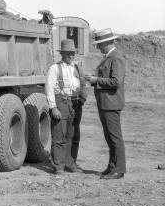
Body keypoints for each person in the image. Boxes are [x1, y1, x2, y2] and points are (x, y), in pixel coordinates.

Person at [84, 28, 126, 180]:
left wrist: (96, 80)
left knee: (115, 138)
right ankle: (112, 167)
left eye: (100, 44)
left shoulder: (116, 57)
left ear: (108, 42)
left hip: (111, 104)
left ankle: (119, 170)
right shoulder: (110, 57)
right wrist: (94, 78)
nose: (98, 47)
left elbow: (116, 81)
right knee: (110, 138)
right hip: (106, 103)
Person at [45, 39, 87, 174]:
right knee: (59, 135)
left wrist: (82, 100)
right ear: (62, 53)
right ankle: (58, 166)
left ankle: (71, 164)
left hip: (75, 104)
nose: (70, 56)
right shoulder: (54, 68)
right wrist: (53, 107)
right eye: (68, 53)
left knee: (73, 135)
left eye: (72, 53)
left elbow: (83, 84)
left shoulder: (77, 68)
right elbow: (49, 89)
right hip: (61, 102)